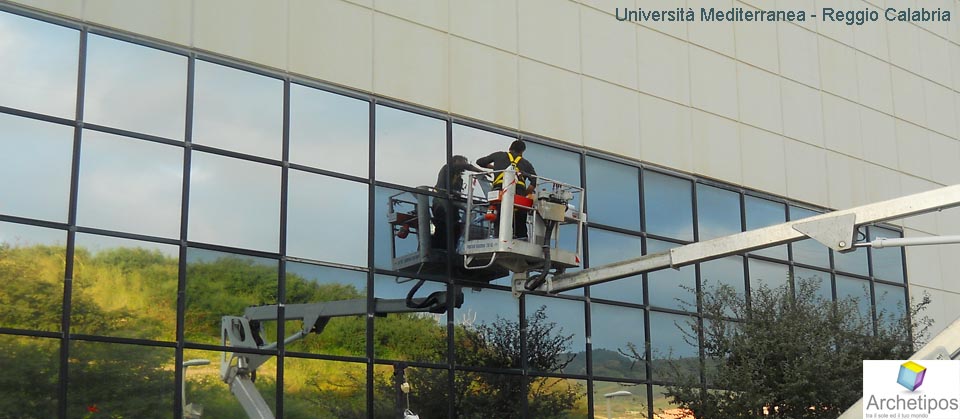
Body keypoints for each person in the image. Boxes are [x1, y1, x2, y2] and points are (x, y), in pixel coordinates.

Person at [476, 140, 537, 239]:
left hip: (500, 191)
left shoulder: (499, 155)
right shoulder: (526, 163)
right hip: (519, 193)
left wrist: (495, 167)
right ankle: (521, 237)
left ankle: (498, 237)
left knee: (500, 218)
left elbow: (480, 162)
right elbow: (534, 181)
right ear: (522, 152)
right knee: (519, 220)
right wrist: (526, 193)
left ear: (510, 148)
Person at [431, 155, 483, 249]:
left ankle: (450, 249)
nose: (465, 164)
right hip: (441, 202)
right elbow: (467, 167)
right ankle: (439, 248)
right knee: (443, 225)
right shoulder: (447, 168)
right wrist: (480, 171)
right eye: (463, 161)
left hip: (452, 205)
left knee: (455, 227)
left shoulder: (459, 178)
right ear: (455, 161)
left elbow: (457, 193)